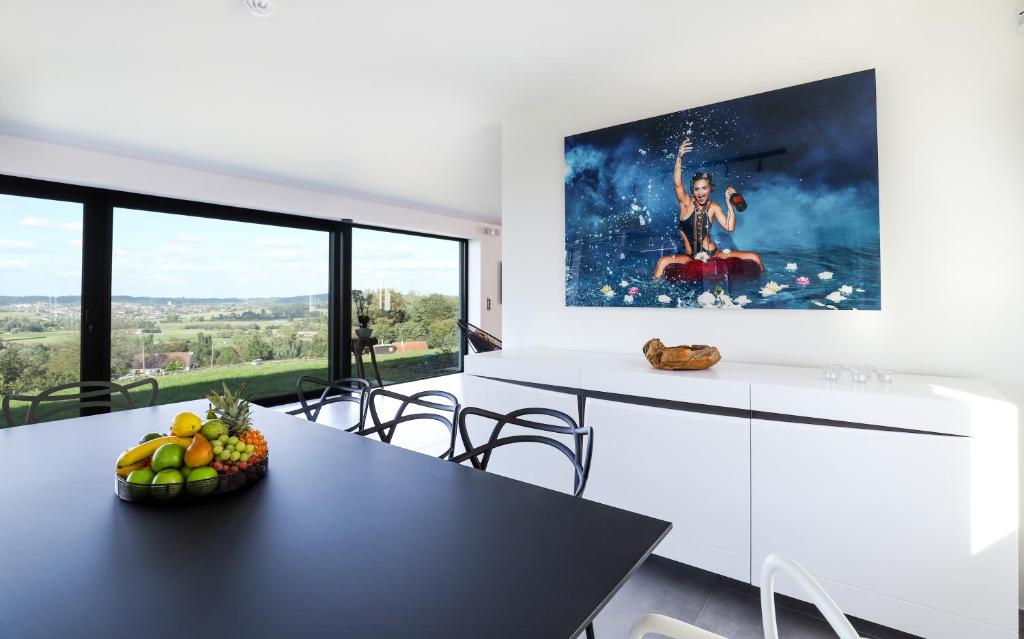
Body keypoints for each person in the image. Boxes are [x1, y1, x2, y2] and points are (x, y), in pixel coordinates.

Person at [653, 138, 763, 279]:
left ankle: (766, 286)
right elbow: (678, 184)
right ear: (693, 191)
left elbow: (729, 227)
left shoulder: (713, 206)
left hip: (713, 253)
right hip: (690, 256)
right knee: (662, 262)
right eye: (697, 189)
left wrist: (729, 204)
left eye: (704, 188)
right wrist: (679, 157)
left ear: (710, 189)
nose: (700, 192)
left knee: (754, 257)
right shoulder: (686, 203)